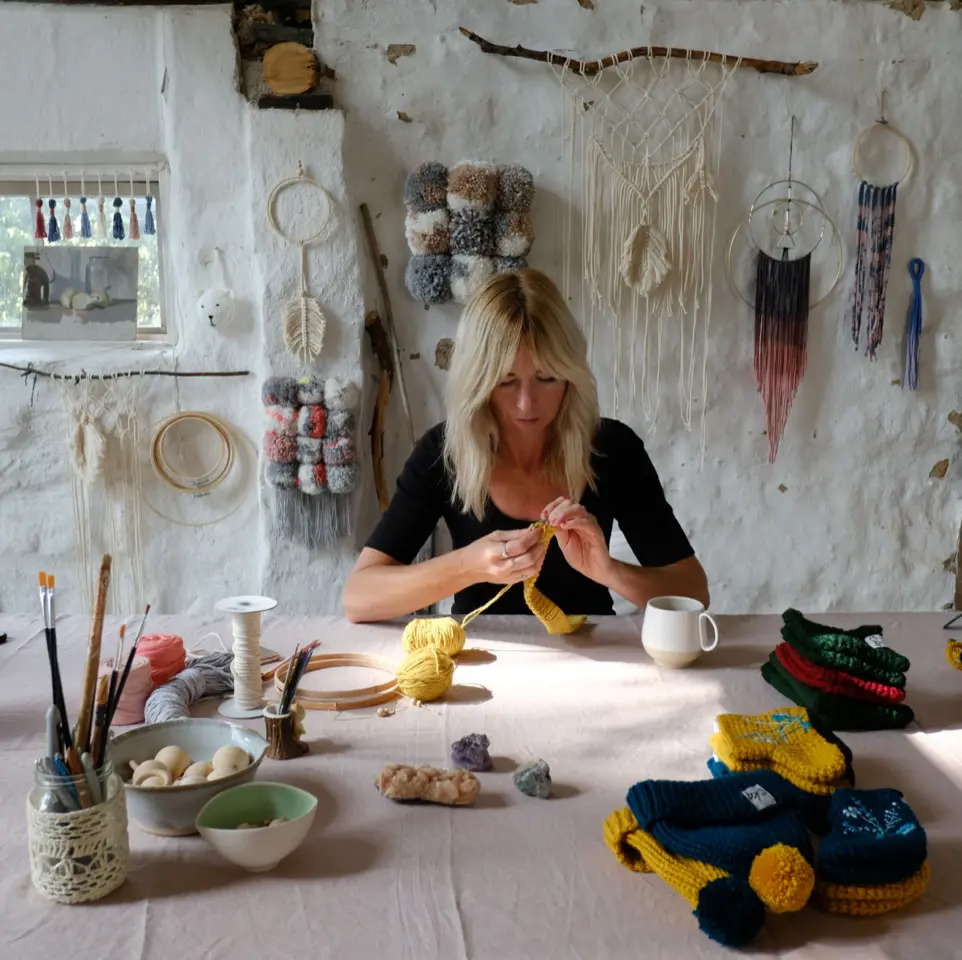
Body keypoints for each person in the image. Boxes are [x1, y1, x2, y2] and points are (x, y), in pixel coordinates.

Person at [343, 268, 708, 623]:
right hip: (477, 664)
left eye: (546, 378)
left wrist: (608, 571)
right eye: (506, 381)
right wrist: (468, 566)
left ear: (570, 375)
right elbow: (359, 598)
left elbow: (694, 593)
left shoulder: (613, 449)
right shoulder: (444, 452)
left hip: (593, 665)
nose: (526, 404)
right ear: (478, 382)